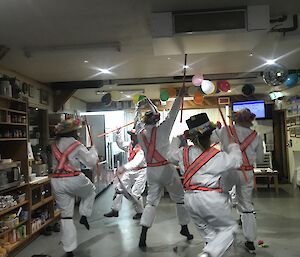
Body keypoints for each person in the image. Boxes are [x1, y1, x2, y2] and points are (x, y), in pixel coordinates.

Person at [168, 113, 243, 257]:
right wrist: (232, 143)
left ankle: (209, 251)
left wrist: (177, 140)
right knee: (229, 229)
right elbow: (237, 161)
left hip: (189, 200)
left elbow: (169, 154)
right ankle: (207, 254)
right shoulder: (217, 156)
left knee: (211, 237)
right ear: (210, 135)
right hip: (210, 199)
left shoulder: (183, 153)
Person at [135, 86, 193, 248]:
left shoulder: (140, 134)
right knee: (180, 198)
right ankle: (184, 228)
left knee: (151, 202)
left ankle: (143, 234)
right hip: (166, 169)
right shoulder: (163, 129)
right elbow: (173, 113)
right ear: (157, 119)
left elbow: (137, 122)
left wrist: (138, 108)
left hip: (151, 171)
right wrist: (180, 96)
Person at [214, 108, 264, 254]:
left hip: (229, 170)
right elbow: (260, 159)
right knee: (246, 206)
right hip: (247, 173)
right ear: (249, 120)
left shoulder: (225, 131)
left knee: (221, 197)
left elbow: (209, 140)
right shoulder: (256, 136)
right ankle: (250, 242)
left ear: (236, 119)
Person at [50, 118, 98, 257]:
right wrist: (93, 151)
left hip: (57, 181)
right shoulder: (76, 144)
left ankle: (69, 249)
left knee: (66, 216)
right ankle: (84, 214)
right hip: (74, 179)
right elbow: (90, 162)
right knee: (90, 191)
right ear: (72, 132)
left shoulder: (54, 144)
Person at [104, 128, 147, 220]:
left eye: (133, 135)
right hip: (130, 171)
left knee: (135, 194)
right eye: (131, 135)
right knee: (119, 189)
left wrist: (123, 168)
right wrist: (118, 134)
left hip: (141, 172)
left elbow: (136, 162)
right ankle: (115, 210)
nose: (132, 137)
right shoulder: (130, 145)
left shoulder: (142, 148)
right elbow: (120, 144)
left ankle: (140, 212)